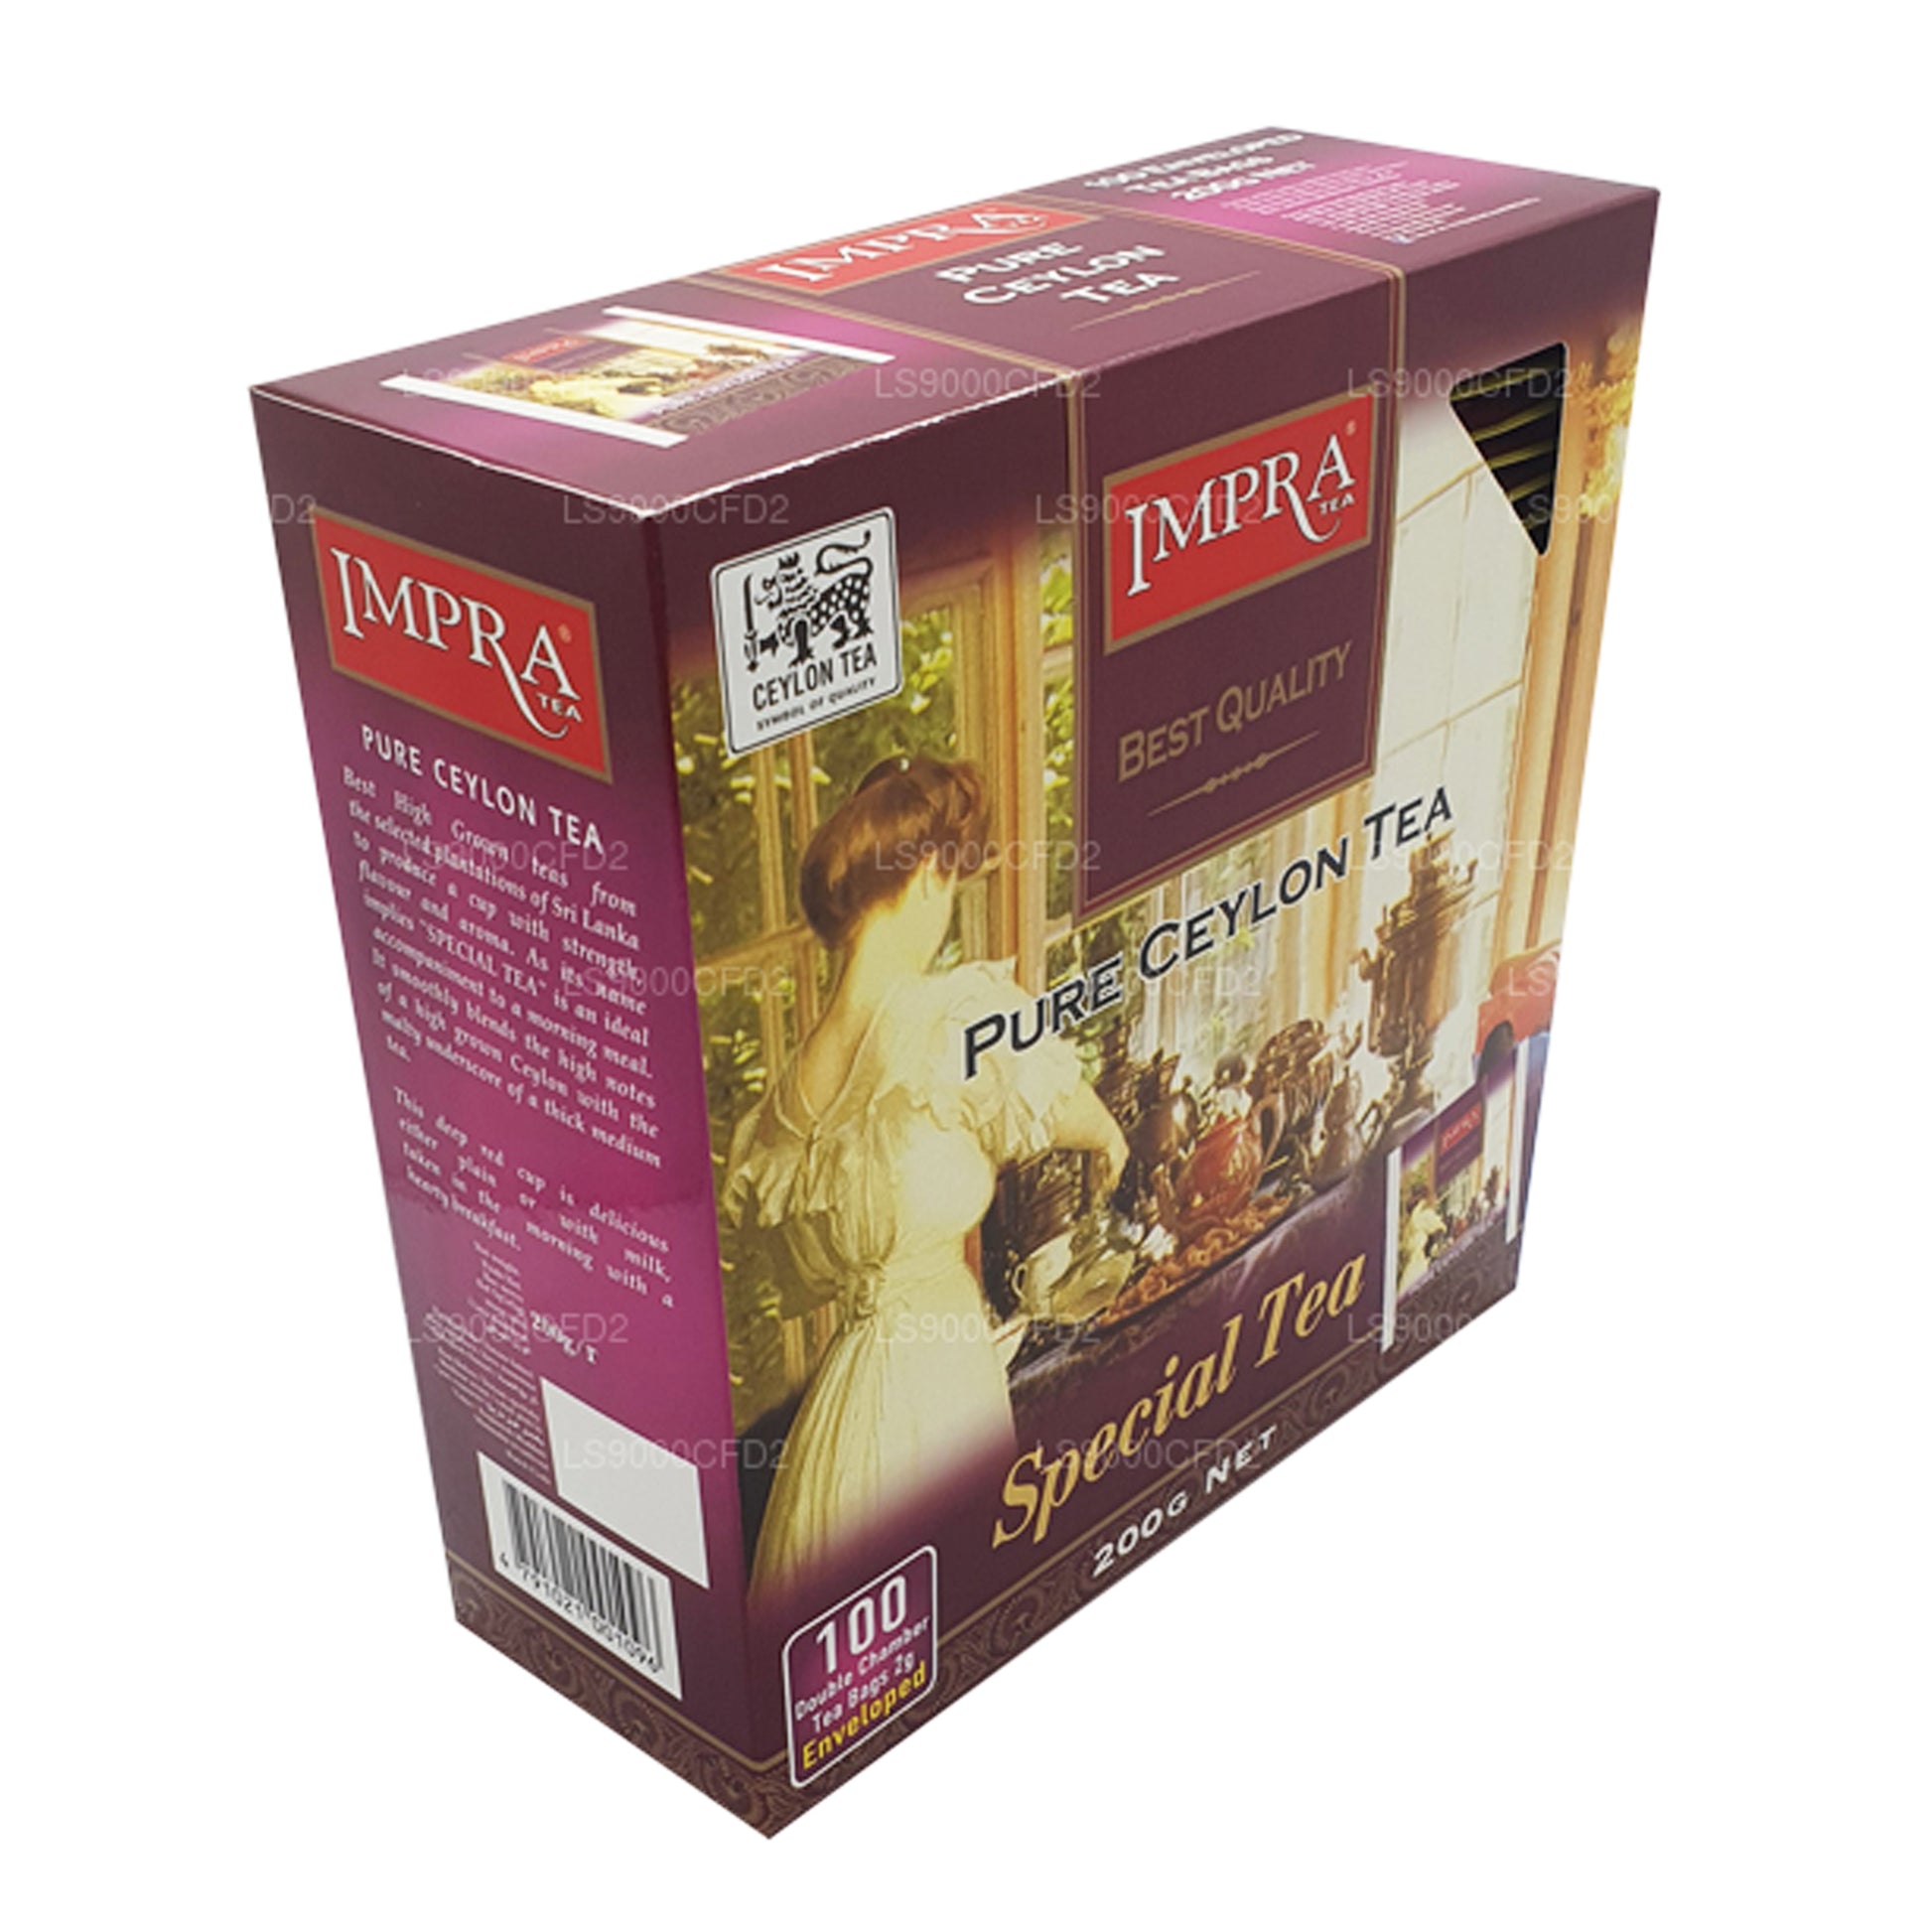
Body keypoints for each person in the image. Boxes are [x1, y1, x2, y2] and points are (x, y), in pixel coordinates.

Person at [725, 756, 1126, 1604]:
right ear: (926, 875)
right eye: (951, 880)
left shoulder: (783, 1102)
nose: (947, 908)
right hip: (936, 1389)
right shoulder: (947, 1017)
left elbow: (803, 1271)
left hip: (840, 1411)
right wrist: (1110, 1138)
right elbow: (1073, 1111)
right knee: (958, 1602)